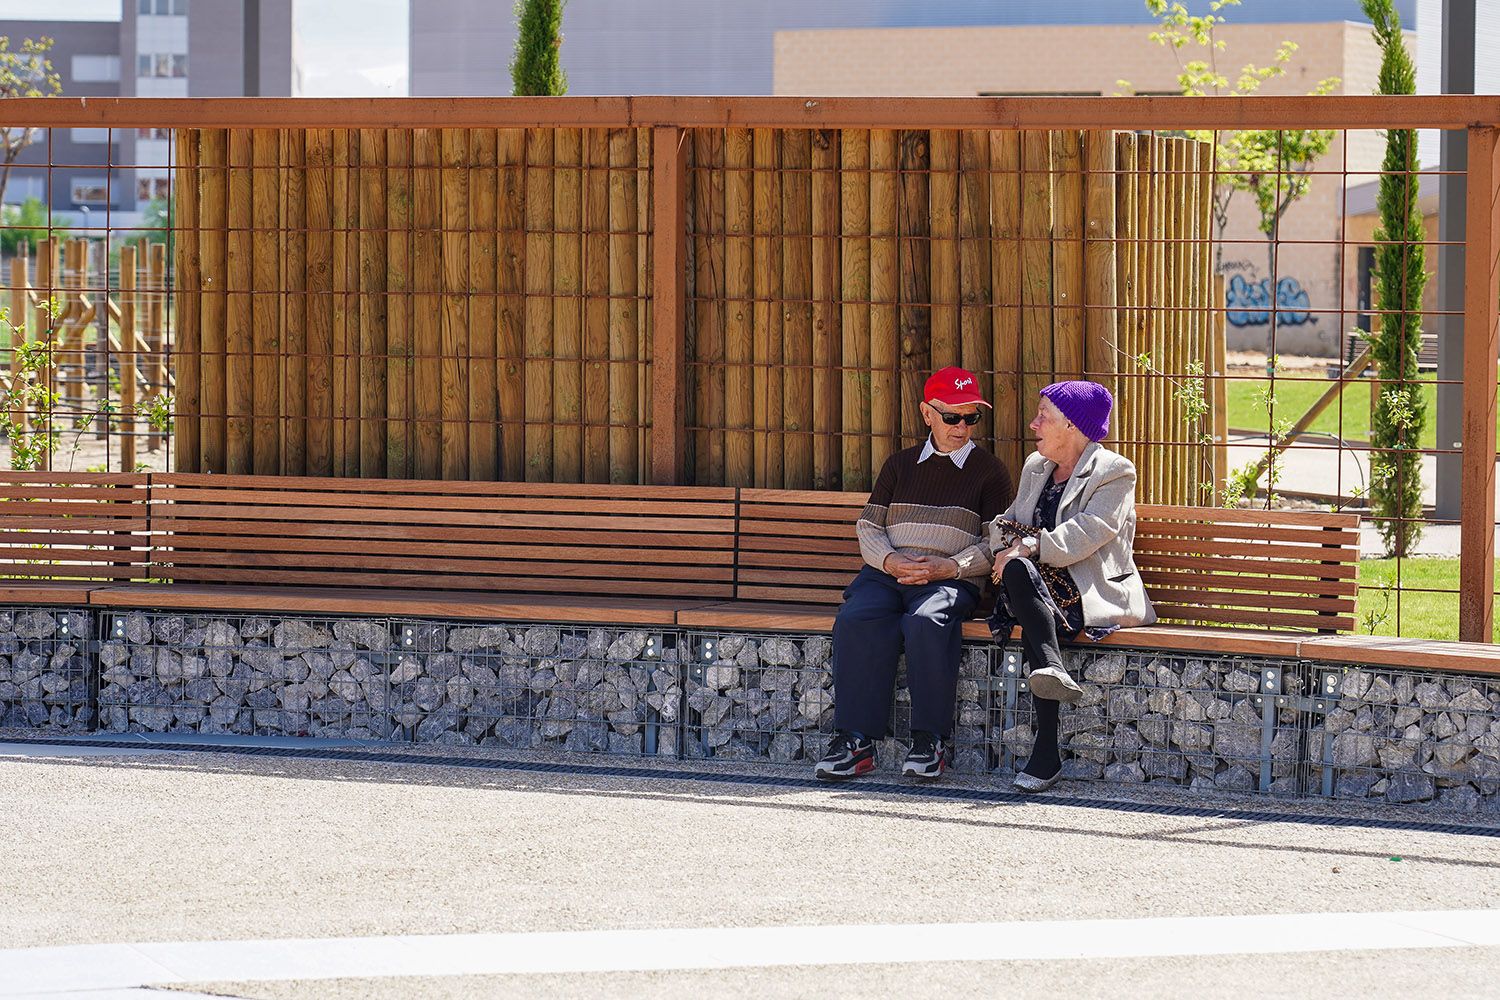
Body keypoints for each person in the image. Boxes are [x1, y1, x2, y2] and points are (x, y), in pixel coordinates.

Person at [815, 366, 1014, 782]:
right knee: (857, 618)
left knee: (926, 622)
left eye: (971, 417)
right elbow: (869, 526)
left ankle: (929, 741)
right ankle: (855, 741)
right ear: (928, 414)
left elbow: (996, 541)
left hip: (950, 576)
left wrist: (952, 567)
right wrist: (888, 561)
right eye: (952, 416)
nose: (963, 427)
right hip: (889, 572)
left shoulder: (990, 471)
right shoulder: (899, 465)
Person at [987, 380, 1155, 794]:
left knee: (1025, 585)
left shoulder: (1115, 471)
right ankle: (1052, 670)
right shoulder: (1035, 467)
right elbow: (1003, 523)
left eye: (1044, 416)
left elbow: (1089, 532)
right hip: (1032, 585)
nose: (1033, 423)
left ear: (1074, 426)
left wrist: (1027, 544)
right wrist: (1009, 547)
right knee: (1021, 577)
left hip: (1088, 590)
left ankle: (1046, 749)